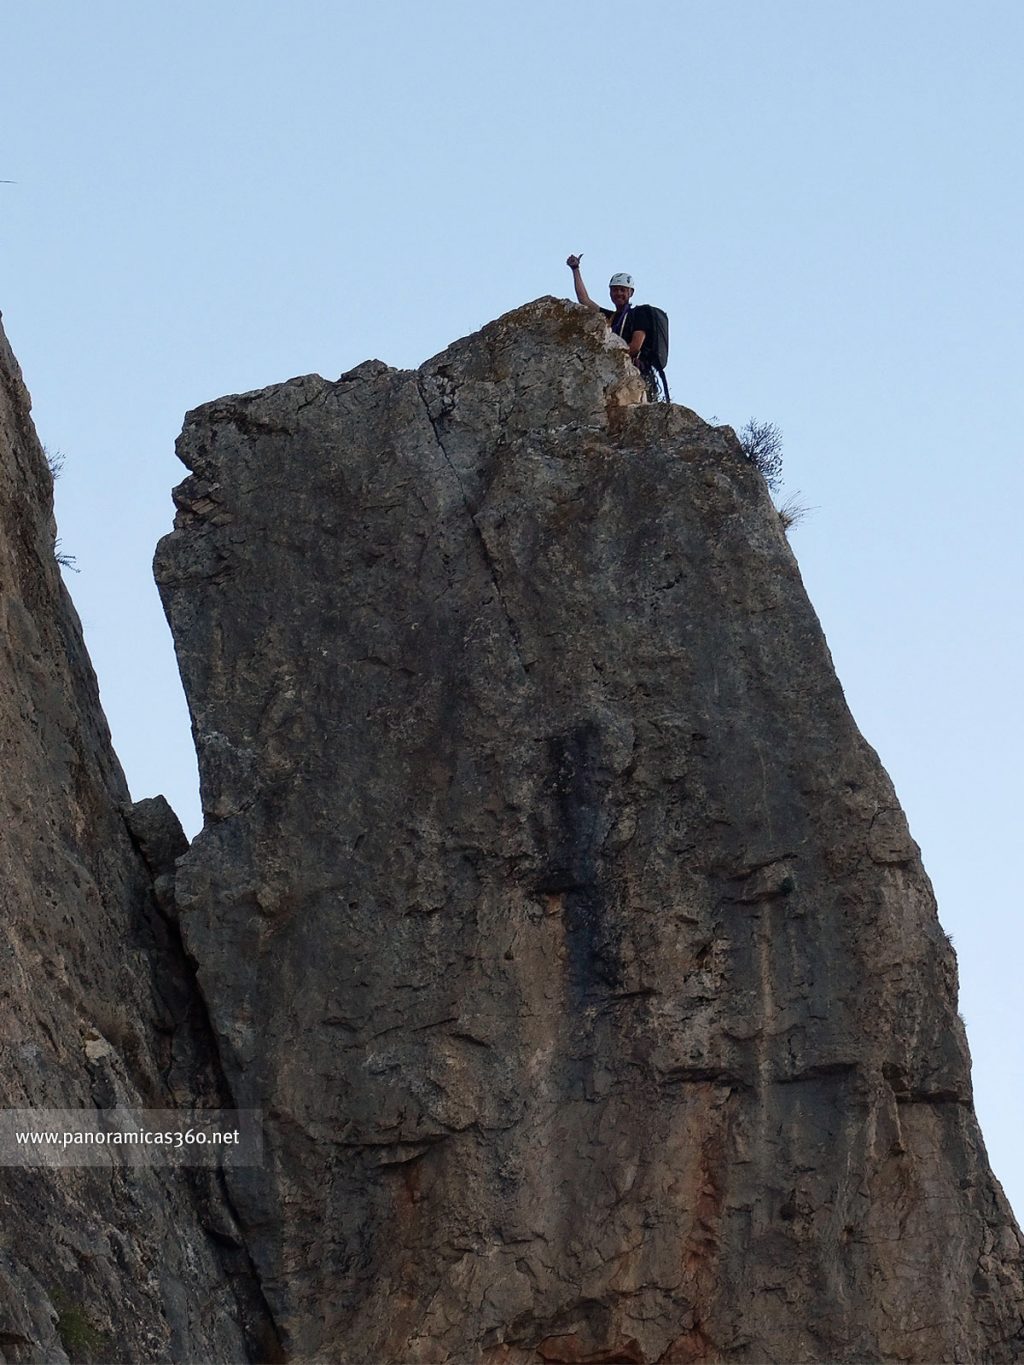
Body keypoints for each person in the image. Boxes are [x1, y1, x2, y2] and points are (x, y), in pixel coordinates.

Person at [565, 254, 662, 400]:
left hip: (636, 371)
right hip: (617, 369)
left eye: (623, 290)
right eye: (615, 290)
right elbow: (584, 300)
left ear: (631, 293)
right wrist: (575, 269)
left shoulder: (639, 314)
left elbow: (635, 346)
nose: (618, 293)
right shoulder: (611, 318)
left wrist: (613, 360)